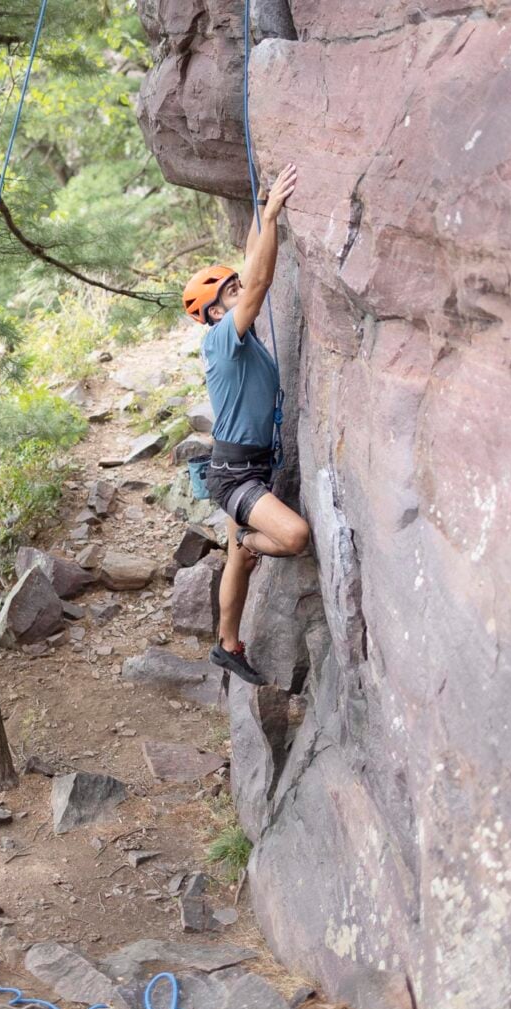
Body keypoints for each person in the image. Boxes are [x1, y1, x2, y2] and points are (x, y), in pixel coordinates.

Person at [183, 163, 309, 686]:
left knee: (235, 562)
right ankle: (250, 541)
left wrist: (260, 212)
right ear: (214, 314)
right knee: (293, 536)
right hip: (236, 476)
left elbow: (249, 268)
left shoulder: (237, 334)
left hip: (241, 466)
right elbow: (258, 278)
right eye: (227, 290)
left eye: (233, 283)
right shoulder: (221, 340)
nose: (238, 286)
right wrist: (275, 214)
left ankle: (226, 645)